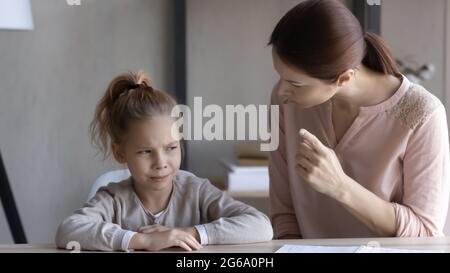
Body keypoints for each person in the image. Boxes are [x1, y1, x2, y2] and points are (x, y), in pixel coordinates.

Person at [269, 0, 450, 239]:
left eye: (295, 83)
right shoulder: (287, 104)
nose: (282, 91)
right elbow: (284, 213)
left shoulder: (423, 114)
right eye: (281, 77)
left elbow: (425, 232)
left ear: (344, 78)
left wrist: (340, 186)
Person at [55, 71, 273, 251]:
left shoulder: (197, 191)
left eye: (171, 148)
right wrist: (143, 240)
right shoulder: (113, 199)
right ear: (120, 153)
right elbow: (68, 231)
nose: (161, 162)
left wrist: (189, 233)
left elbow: (261, 226)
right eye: (145, 151)